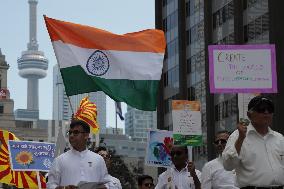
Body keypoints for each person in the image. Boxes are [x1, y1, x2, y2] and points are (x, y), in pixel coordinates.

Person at [222, 95, 284, 188]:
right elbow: (228, 165)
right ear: (249, 114)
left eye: (270, 109)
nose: (266, 112)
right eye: (261, 109)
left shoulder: (279, 138)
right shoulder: (237, 135)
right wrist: (240, 139)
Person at [47, 120, 109, 189]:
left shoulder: (98, 160)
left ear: (86, 135)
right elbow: (50, 185)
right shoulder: (59, 160)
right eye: (70, 133)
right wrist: (64, 188)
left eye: (76, 132)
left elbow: (106, 183)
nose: (71, 135)